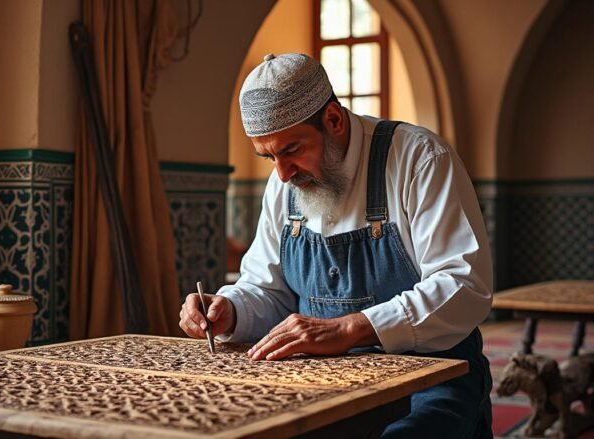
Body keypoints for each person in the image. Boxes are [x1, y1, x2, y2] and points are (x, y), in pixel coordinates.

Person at [178, 52, 493, 437]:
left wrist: (352, 327)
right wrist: (231, 308)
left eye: (292, 150)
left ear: (333, 119)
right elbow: (267, 290)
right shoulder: (286, 183)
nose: (281, 173)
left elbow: (463, 285)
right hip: (320, 382)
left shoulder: (419, 159)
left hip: (432, 379)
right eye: (268, 157)